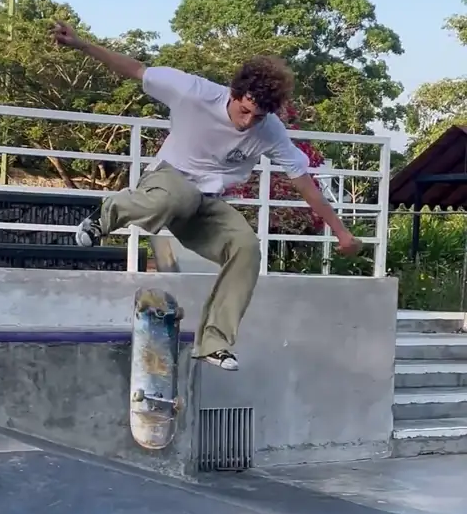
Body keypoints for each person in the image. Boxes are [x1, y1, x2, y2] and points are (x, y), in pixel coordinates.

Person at [52, 22, 363, 370]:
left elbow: (304, 182)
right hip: (167, 180)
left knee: (246, 248)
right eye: (244, 111)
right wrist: (81, 44)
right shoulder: (193, 91)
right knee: (179, 197)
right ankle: (104, 217)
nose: (247, 123)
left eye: (258, 117)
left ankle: (215, 342)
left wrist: (341, 232)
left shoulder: (271, 131)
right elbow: (135, 69)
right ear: (234, 93)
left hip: (207, 202)